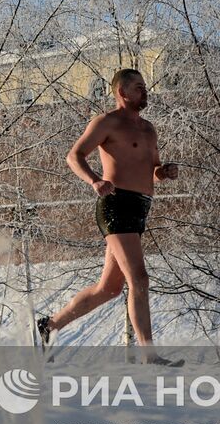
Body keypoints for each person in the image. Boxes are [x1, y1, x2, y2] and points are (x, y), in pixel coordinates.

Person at [37, 68, 180, 361]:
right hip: (116, 204)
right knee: (139, 280)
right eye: (139, 87)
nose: (145, 91)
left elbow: (152, 169)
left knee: (109, 288)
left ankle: (49, 326)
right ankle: (149, 356)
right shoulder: (107, 123)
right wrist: (94, 180)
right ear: (122, 93)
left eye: (145, 87)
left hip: (140, 208)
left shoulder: (149, 129)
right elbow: (74, 156)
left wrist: (163, 172)